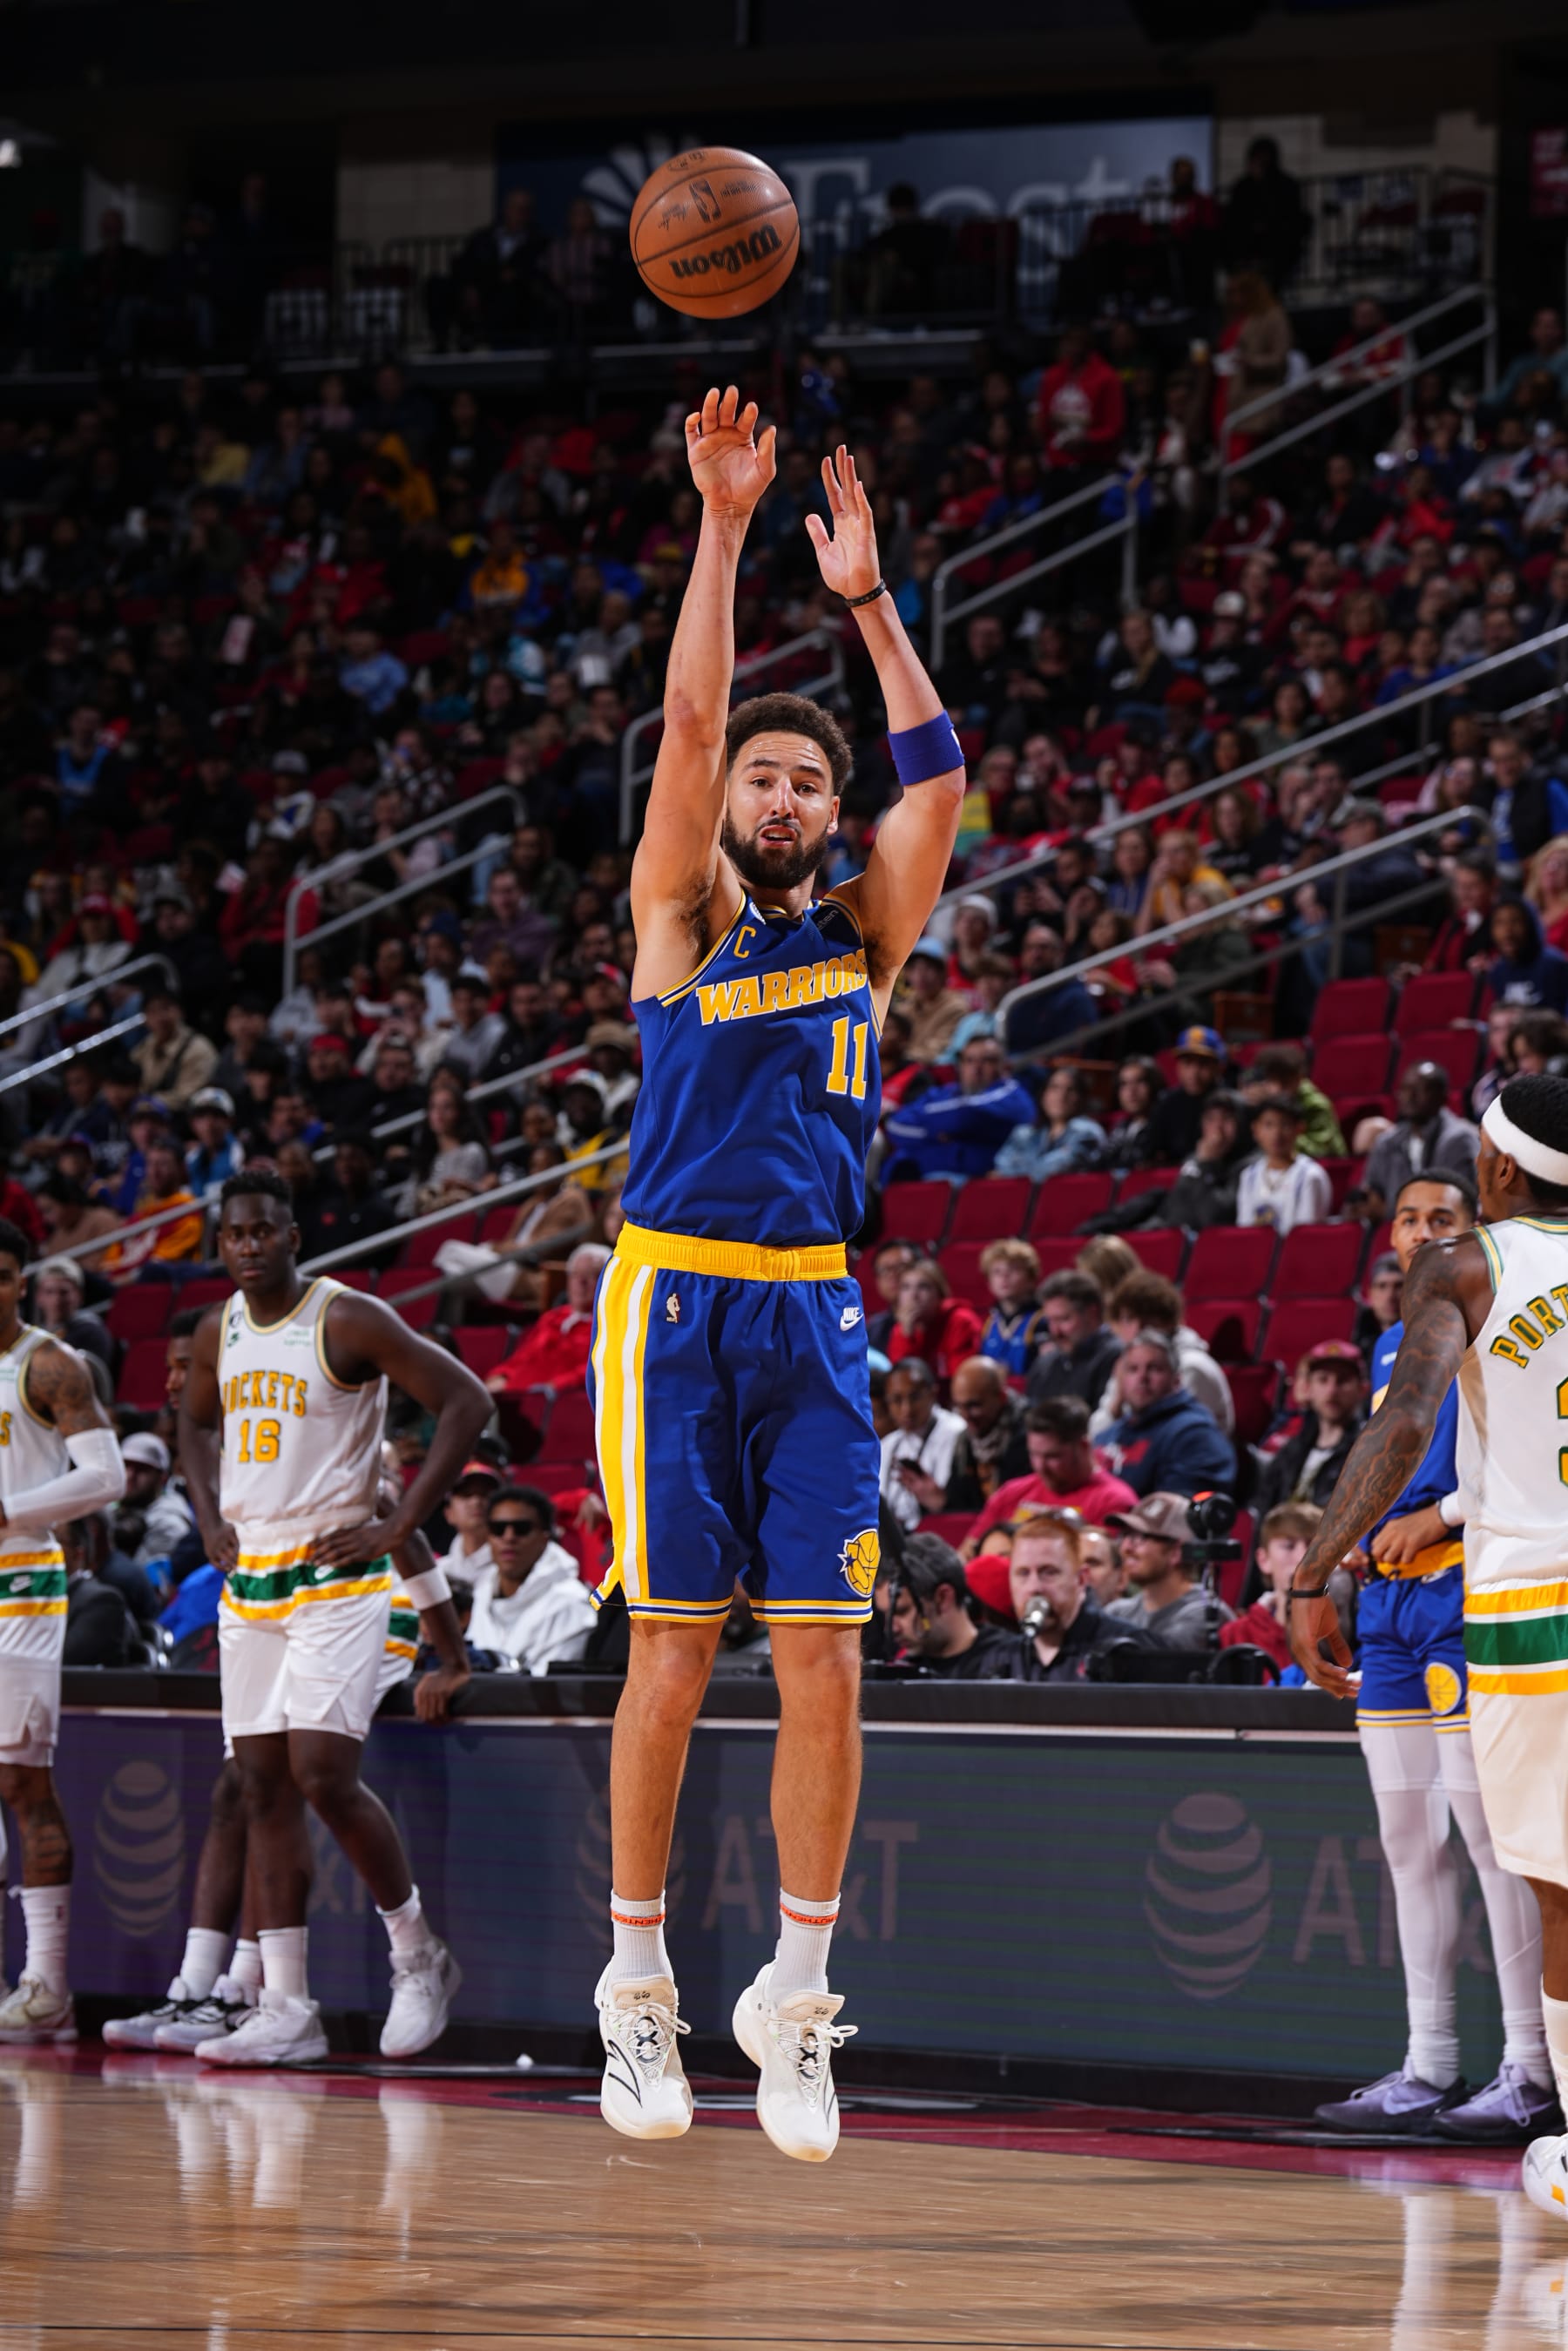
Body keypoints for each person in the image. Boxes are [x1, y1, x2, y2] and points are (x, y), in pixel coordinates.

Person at [586, 395, 962, 2161]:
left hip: (810, 1300)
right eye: (767, 772)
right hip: (671, 1299)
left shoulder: (863, 940)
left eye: (813, 776)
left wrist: (873, 602)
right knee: (670, 1650)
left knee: (827, 1654)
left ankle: (793, 2000)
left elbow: (942, 777)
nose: (789, 789)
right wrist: (726, 527)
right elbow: (682, 714)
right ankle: (637, 1985)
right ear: (730, 804)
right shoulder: (676, 914)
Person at [1288, 1082, 1568, 2219]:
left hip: (1534, 1605)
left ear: (1496, 1172)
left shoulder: (1466, 1265)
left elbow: (1405, 1421)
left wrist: (1314, 1565)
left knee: (1555, 1874)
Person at [177, 1168, 492, 2066]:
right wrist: (207, 1516)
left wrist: (400, 1523)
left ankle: (417, 1952)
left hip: (335, 1573)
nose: (247, 1246)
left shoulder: (346, 1317)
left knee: (320, 1771)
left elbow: (467, 1401)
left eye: (263, 1231)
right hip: (255, 1579)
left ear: (293, 1235)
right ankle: (288, 2005)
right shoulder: (217, 1328)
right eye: (234, 1234)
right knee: (261, 1786)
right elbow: (193, 1424)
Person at [0, 1216, 126, 2041]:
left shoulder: (47, 1361)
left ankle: (48, 1979)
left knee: (19, 1778)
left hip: (21, 1584)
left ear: (19, 1278)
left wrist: (9, 1510)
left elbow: (107, 1473)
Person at [960, 1395, 1138, 1555]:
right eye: (1034, 1454)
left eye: (1052, 1456)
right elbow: (968, 1554)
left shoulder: (1114, 1503)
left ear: (1083, 1447)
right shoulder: (1010, 1493)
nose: (1040, 1466)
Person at [987, 1510, 1146, 1682]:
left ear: (1081, 1579)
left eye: (1049, 1572)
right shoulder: (1000, 1657)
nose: (1034, 1587)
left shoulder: (1127, 1649)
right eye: (1023, 1573)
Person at [465, 1486, 595, 1672]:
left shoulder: (572, 1603)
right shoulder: (480, 1591)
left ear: (544, 1537)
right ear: (488, 1537)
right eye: (498, 1529)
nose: (509, 1537)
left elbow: (550, 1687)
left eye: (522, 1529)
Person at [1096, 1330, 1235, 1497]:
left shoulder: (1195, 1434)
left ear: (1176, 1380)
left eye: (1154, 1368)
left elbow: (1176, 1514)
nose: (1142, 1378)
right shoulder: (1110, 1434)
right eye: (1133, 1369)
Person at [879, 1035, 1034, 1181]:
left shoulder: (1011, 1093)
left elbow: (965, 1116)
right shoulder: (944, 1093)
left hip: (975, 1183)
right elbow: (896, 1125)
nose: (976, 1068)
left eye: (987, 1061)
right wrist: (938, 1133)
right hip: (926, 1177)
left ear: (1005, 1066)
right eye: (969, 1060)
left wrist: (931, 1126)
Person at [1105, 1493, 1233, 1647]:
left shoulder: (1206, 1613)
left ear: (1176, 1552)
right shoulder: (1118, 1612)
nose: (1126, 1547)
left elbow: (1160, 1661)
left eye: (1140, 1537)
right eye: (1126, 1535)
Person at [1254, 1341, 1367, 1514]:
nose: (1331, 1391)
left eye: (1343, 1380)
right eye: (1323, 1380)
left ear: (1362, 1389)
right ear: (1308, 1387)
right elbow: (1263, 1508)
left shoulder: (1368, 1449)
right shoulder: (1292, 1450)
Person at [884, 1535, 1015, 1678]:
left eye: (902, 1611)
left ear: (943, 1598)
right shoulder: (900, 1676)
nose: (893, 1628)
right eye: (887, 1615)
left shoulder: (1014, 1662)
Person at [1362, 1064, 1480, 1223]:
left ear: (1442, 1097)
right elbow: (1370, 1199)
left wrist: (1390, 1210)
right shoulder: (1387, 1143)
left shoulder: (1459, 1140)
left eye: (1420, 1090)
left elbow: (1455, 1203)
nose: (1410, 1096)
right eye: (1405, 1089)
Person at [880, 1359, 965, 1532]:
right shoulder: (888, 1443)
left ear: (933, 1393)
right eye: (897, 1400)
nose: (907, 1409)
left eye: (915, 1397)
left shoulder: (956, 1432)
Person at [1026, 1269, 1122, 1410]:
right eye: (1051, 1321)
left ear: (1092, 1312)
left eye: (1064, 1319)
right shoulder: (1044, 1364)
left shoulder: (1117, 1357)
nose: (1055, 1331)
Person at [1235, 1096, 1332, 1233]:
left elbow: (1307, 1235)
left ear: (1299, 1128)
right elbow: (1245, 1231)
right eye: (1268, 1125)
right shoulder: (1249, 1176)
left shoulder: (1310, 1176)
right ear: (1256, 1130)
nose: (1277, 1134)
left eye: (1285, 1125)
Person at [118, 1431, 195, 1570]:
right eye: (126, 1465)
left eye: (141, 1469)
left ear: (162, 1478)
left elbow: (147, 1582)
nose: (130, 1475)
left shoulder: (169, 1523)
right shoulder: (113, 1503)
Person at [976, 1239, 1044, 1380]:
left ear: (1031, 1279)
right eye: (996, 1272)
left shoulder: (1043, 1320)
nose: (1004, 1277)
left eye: (1014, 1269)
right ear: (989, 1282)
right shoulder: (990, 1322)